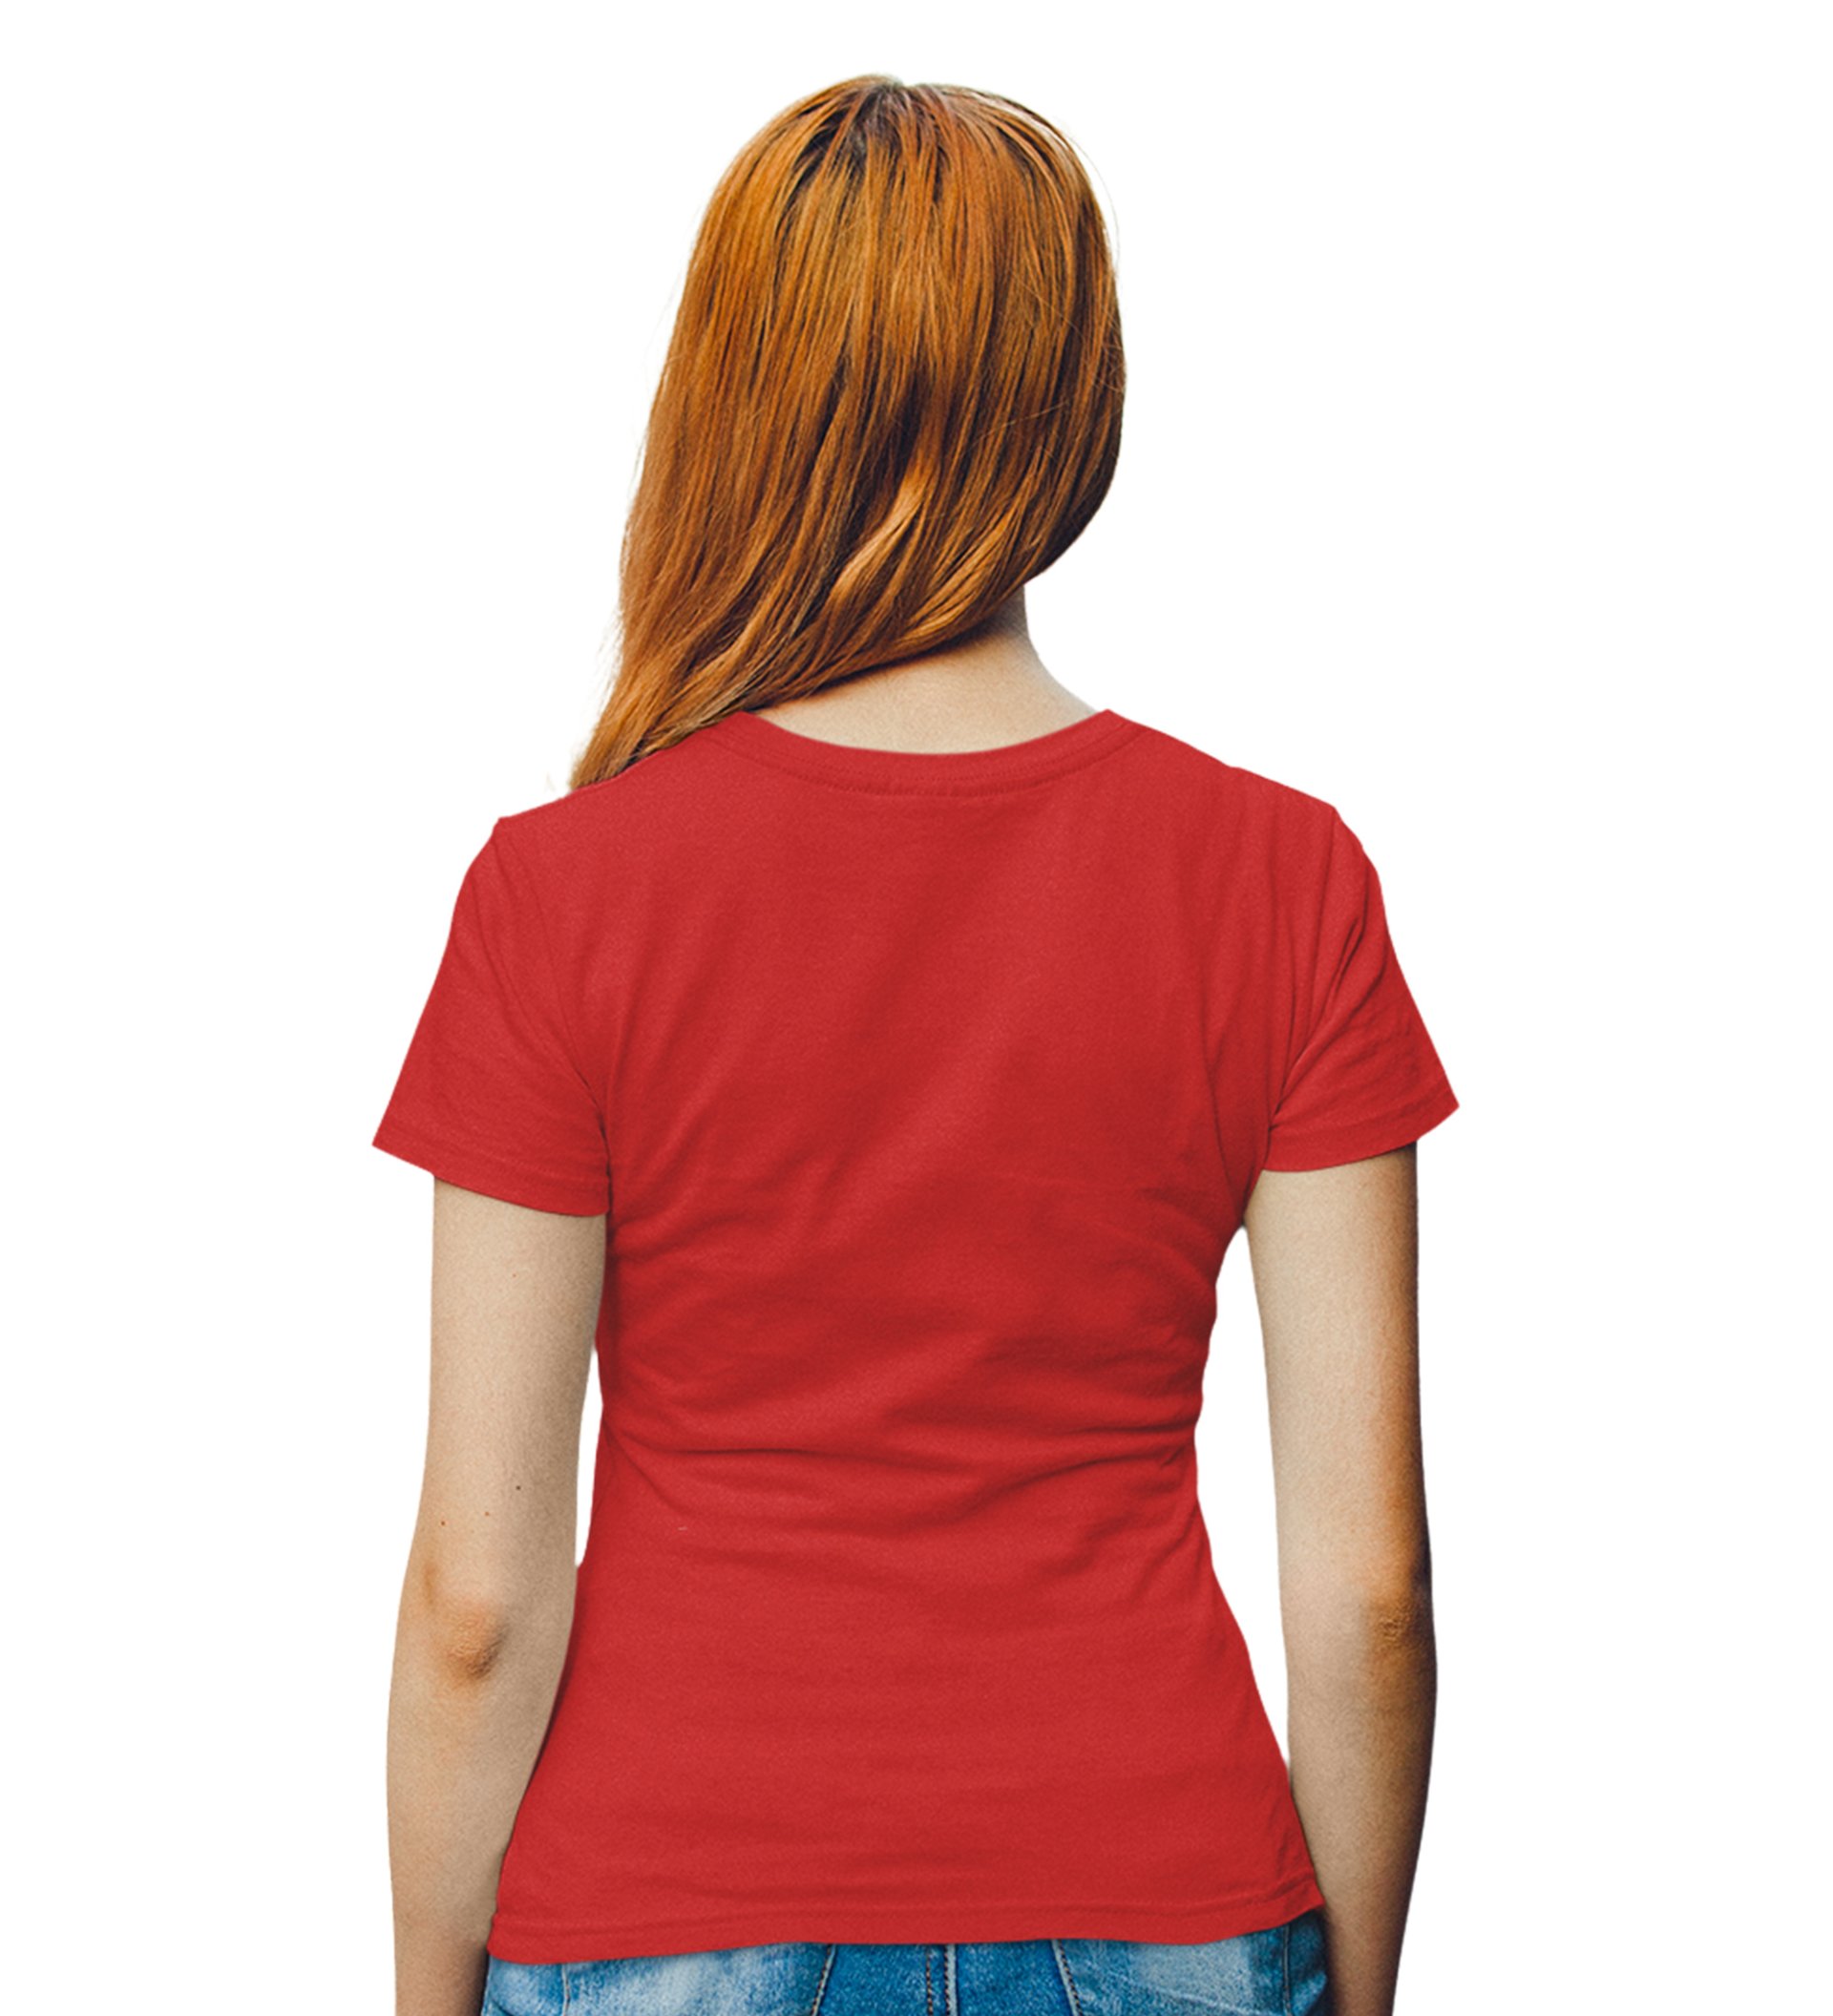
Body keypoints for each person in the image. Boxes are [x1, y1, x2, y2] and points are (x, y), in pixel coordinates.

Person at [373, 74, 1456, 2016]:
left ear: (733, 391)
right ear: (1074, 401)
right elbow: (1370, 1589)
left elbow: (478, 1599)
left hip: (665, 1907)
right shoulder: (1282, 878)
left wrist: (424, 1993)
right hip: (1164, 1891)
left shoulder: (562, 895)